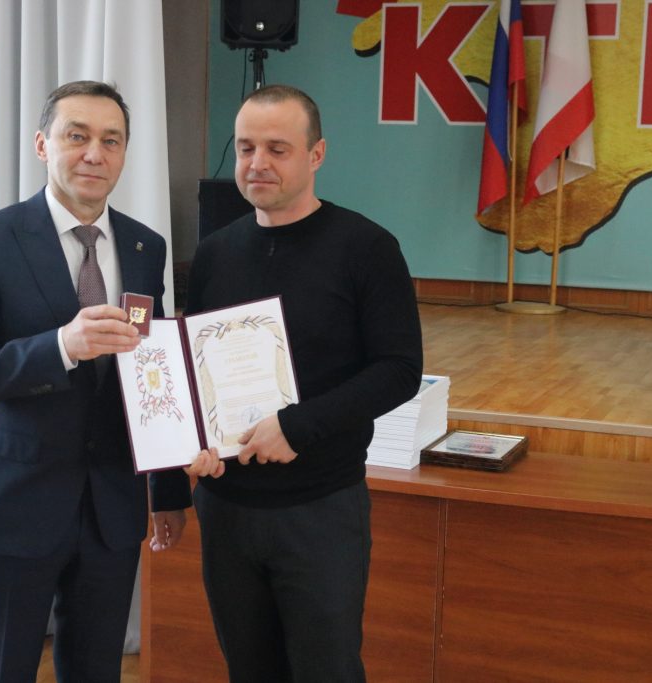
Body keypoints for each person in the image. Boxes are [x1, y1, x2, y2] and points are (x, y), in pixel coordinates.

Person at [0, 80, 221, 683]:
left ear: (125, 153)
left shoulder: (145, 246)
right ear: (43, 145)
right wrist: (61, 347)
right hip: (15, 509)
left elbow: (151, 375)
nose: (95, 153)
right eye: (77, 136)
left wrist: (168, 490)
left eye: (111, 140)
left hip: (111, 512)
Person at [185, 84, 424, 682]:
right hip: (226, 508)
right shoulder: (213, 254)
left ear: (316, 154)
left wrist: (297, 428)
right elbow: (196, 374)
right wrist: (193, 442)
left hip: (320, 509)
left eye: (277, 148)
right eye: (245, 147)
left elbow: (399, 369)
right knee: (248, 670)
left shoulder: (367, 248)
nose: (256, 163)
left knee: (326, 670)